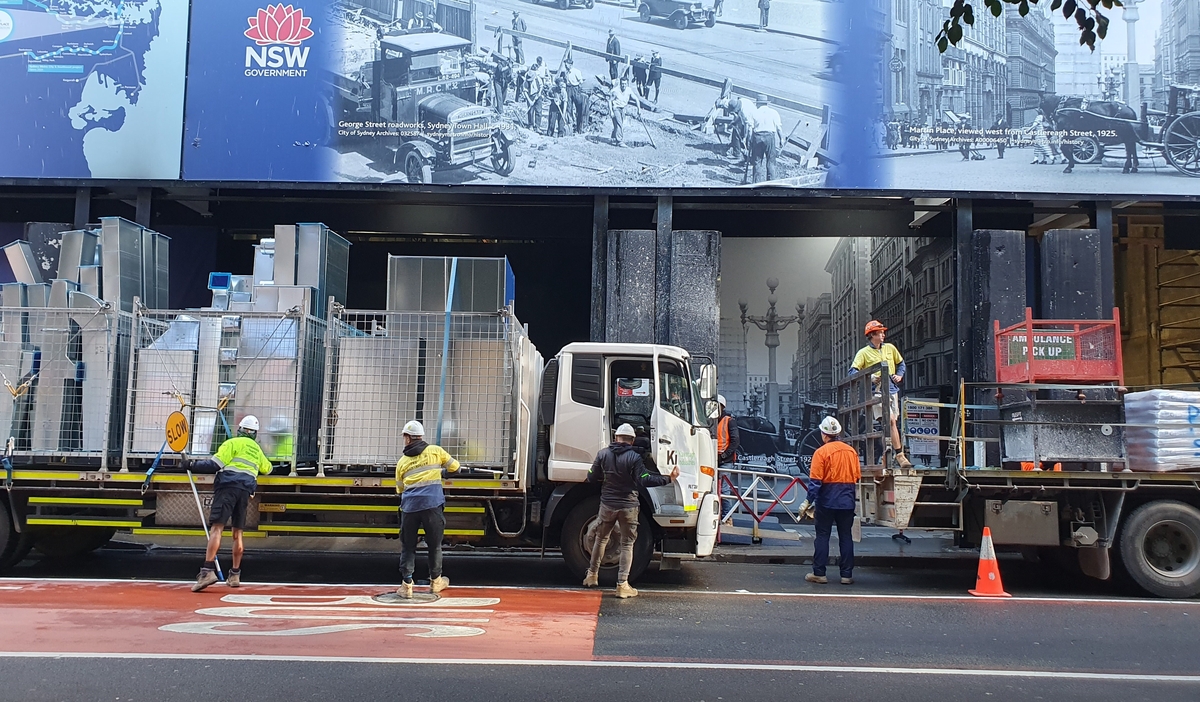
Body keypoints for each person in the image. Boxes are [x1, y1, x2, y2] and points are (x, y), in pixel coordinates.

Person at [583, 424, 679, 598]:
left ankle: (592, 575)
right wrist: (668, 479)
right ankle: (622, 585)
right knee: (627, 544)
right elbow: (645, 480)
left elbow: (591, 477)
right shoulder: (634, 458)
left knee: (601, 539)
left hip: (607, 505)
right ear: (632, 440)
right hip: (628, 506)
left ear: (615, 437)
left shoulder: (603, 454)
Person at [190, 415, 273, 592]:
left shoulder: (232, 443)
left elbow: (214, 465)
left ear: (240, 429)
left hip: (227, 488)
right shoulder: (257, 450)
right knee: (238, 533)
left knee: (217, 529)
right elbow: (267, 468)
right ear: (255, 434)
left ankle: (207, 571)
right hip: (245, 491)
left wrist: (189, 464)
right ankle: (235, 574)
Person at [395, 420, 460, 598]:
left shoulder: (401, 462)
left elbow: (400, 489)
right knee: (434, 545)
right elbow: (456, 468)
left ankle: (407, 585)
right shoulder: (435, 451)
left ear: (408, 438)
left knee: (408, 547)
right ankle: (435, 582)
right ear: (421, 436)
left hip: (410, 508)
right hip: (432, 505)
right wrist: (441, 473)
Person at [799, 417, 860, 585]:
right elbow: (856, 477)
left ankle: (819, 573)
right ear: (838, 433)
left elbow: (816, 482)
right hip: (847, 500)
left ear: (824, 434)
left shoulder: (821, 452)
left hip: (826, 500)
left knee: (822, 536)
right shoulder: (851, 452)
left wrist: (807, 502)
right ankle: (846, 575)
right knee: (846, 537)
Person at [850, 320, 913, 470]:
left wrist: (899, 375)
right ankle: (899, 455)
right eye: (880, 332)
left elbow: (901, 363)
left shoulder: (890, 348)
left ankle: (886, 458)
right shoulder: (863, 353)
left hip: (892, 390)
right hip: (876, 392)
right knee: (890, 420)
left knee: (891, 425)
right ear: (872, 335)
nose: (883, 334)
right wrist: (870, 376)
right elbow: (852, 371)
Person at [749, 94, 783, 183]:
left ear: (758, 103)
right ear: (766, 103)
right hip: (769, 137)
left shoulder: (754, 112)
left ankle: (756, 183)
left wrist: (749, 140)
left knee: (757, 161)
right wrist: (781, 139)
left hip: (758, 137)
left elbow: (750, 128)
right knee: (771, 161)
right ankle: (771, 183)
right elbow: (779, 128)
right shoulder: (774, 112)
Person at [715, 94, 756, 162]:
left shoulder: (745, 112)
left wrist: (745, 137)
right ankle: (737, 152)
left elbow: (748, 126)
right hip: (745, 121)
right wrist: (733, 122)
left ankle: (749, 159)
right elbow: (738, 116)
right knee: (735, 130)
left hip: (752, 123)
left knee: (748, 141)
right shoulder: (738, 102)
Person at [608, 75, 637, 147]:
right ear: (620, 84)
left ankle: (613, 138)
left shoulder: (628, 90)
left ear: (627, 84)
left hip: (623, 108)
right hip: (616, 108)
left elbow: (636, 99)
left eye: (625, 84)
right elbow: (609, 101)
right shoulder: (615, 91)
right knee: (619, 124)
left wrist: (639, 109)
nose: (623, 85)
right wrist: (611, 111)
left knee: (616, 125)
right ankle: (619, 141)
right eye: (622, 84)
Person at [562, 57, 588, 134]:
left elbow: (580, 82)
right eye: (565, 65)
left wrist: (579, 91)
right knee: (569, 108)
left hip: (576, 89)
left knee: (579, 108)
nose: (566, 66)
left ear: (571, 65)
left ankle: (579, 127)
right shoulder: (566, 72)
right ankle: (570, 126)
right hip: (568, 89)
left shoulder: (576, 72)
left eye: (567, 64)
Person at [716, 394, 740, 469]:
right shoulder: (709, 421)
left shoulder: (729, 421)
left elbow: (735, 441)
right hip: (712, 459)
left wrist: (724, 455)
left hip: (725, 461)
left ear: (722, 407)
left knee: (724, 479)